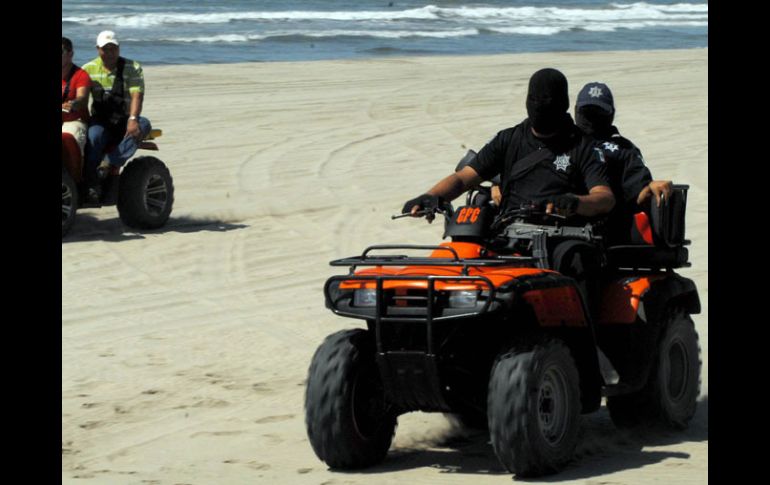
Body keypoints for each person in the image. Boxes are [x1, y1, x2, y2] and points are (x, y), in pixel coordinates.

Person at [402, 68, 615, 317]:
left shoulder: (583, 146)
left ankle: (582, 345)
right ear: (527, 102)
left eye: (547, 102)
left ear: (564, 105)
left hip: (562, 235)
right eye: (535, 101)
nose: (540, 107)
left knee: (575, 260)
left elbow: (604, 197)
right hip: (505, 232)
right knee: (456, 261)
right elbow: (463, 178)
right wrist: (432, 196)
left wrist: (574, 202)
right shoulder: (508, 139)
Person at [574, 82, 672, 245]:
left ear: (611, 115)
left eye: (599, 113)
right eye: (588, 112)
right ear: (577, 111)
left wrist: (650, 187)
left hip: (607, 230)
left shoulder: (623, 149)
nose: (592, 119)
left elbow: (638, 191)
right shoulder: (563, 144)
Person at [82, 30, 151, 190]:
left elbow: (137, 96)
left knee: (144, 125)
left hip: (125, 119)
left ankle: (110, 162)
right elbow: (80, 97)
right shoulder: (88, 69)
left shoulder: (132, 67)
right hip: (101, 121)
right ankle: (91, 182)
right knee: (93, 137)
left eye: (113, 48)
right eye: (105, 49)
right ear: (98, 49)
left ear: (119, 49)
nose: (110, 53)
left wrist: (133, 119)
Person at [62, 37, 91, 158]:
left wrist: (73, 103)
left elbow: (82, 98)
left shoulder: (81, 75)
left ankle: (73, 176)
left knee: (70, 139)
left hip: (74, 120)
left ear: (70, 54)